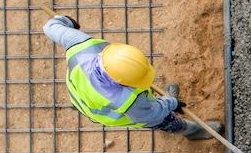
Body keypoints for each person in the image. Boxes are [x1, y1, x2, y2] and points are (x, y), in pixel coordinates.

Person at [42, 12, 215, 138]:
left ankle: (171, 111)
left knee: (149, 102)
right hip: (105, 111)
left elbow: (50, 27)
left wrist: (65, 21)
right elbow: (151, 114)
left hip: (80, 93)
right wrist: (171, 103)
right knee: (163, 119)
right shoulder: (128, 101)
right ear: (121, 83)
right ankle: (190, 131)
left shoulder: (81, 45)